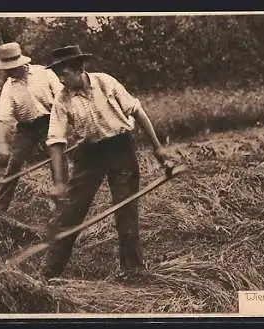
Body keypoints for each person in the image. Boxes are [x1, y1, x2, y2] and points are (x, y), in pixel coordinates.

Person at [41, 45, 174, 281]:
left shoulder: (106, 83)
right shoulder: (62, 100)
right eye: (58, 74)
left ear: (80, 68)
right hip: (89, 155)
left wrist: (159, 149)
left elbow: (138, 112)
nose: (61, 78)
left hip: (120, 148)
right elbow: (55, 142)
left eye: (65, 72)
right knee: (72, 212)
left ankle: (133, 270)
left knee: (125, 209)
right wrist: (59, 182)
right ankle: (49, 273)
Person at [0, 42, 64, 212]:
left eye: (11, 68)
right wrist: (2, 144)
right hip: (26, 127)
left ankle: (63, 203)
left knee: (58, 160)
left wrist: (66, 124)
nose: (9, 72)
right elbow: (3, 117)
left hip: (50, 121)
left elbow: (62, 97)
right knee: (14, 163)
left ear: (21, 63)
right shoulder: (9, 86)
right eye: (6, 69)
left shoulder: (44, 73)